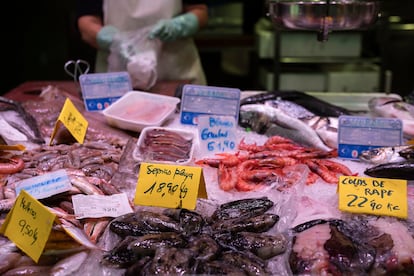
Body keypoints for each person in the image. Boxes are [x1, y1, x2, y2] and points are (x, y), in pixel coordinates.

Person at [76, 0, 208, 89]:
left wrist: (180, 25)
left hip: (177, 74)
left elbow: (200, 10)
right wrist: (112, 39)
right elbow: (87, 20)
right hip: (115, 78)